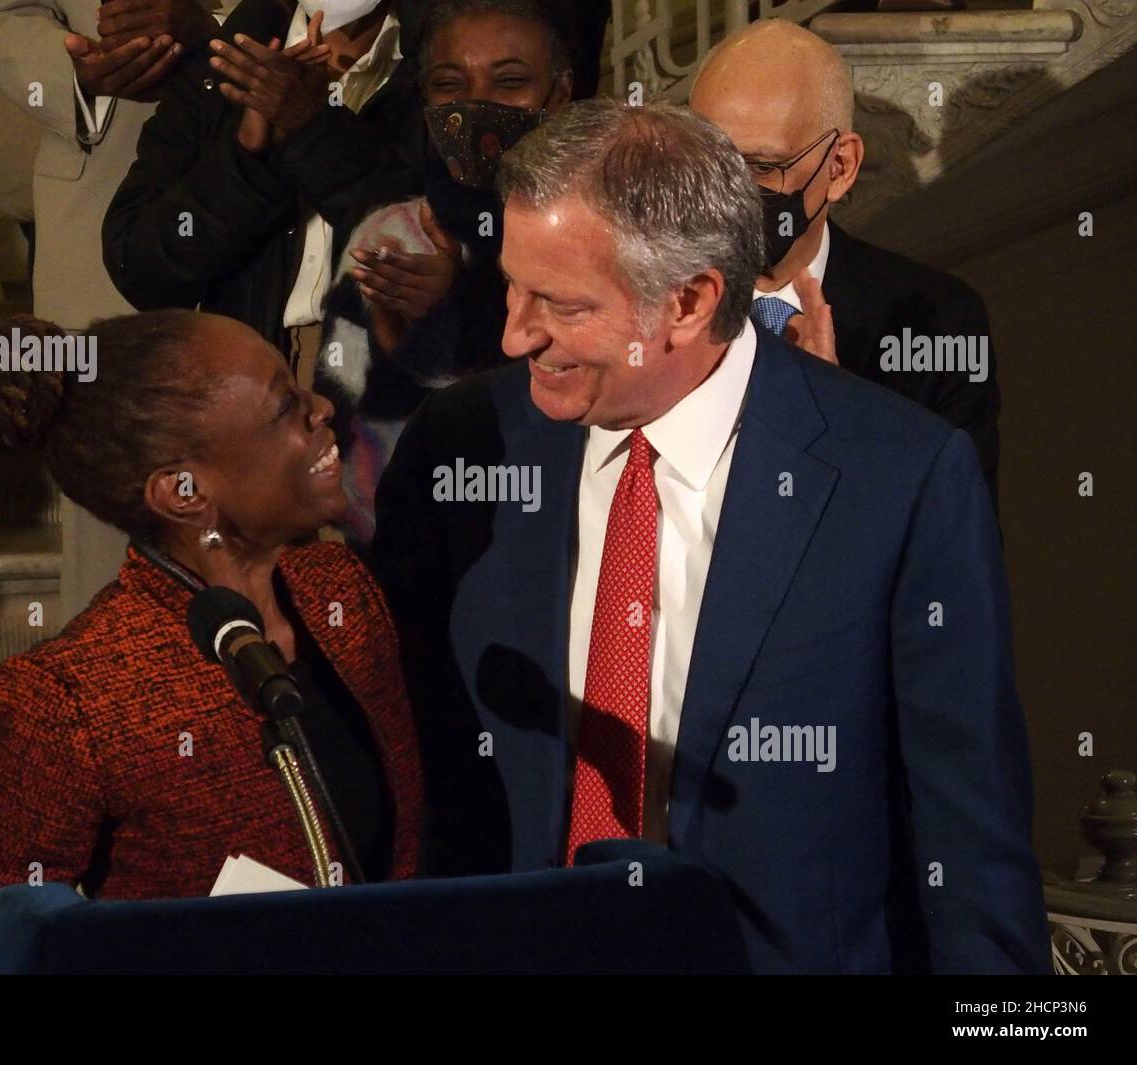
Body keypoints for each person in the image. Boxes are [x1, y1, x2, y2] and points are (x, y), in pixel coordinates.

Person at [371, 99, 1049, 974]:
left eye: (561, 304)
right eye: (512, 284)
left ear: (689, 302)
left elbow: (972, 837)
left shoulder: (901, 479)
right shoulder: (461, 445)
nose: (515, 332)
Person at [0, 309, 423, 974]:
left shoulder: (343, 596)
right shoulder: (76, 697)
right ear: (183, 492)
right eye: (284, 408)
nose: (320, 409)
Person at [0, 0, 240, 622]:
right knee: (111, 513)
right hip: (99, 195)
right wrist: (76, 76)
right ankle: (108, 715)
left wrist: (223, 32)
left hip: (292, 200)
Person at [689, 19, 1002, 506]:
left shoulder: (936, 322)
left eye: (761, 167)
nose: (726, 193)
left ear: (839, 169)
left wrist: (838, 416)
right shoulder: (642, 297)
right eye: (708, 162)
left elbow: (955, 551)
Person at [317, 0, 574, 544]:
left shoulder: (604, 237)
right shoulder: (387, 242)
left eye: (509, 82)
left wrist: (465, 309)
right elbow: (347, 445)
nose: (476, 105)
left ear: (560, 95)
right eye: (449, 84)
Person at [102, 0, 426, 382]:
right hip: (251, 374)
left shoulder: (448, 57)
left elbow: (448, 248)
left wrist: (313, 132)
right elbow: (141, 269)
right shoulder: (222, 60)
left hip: (391, 378)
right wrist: (246, 160)